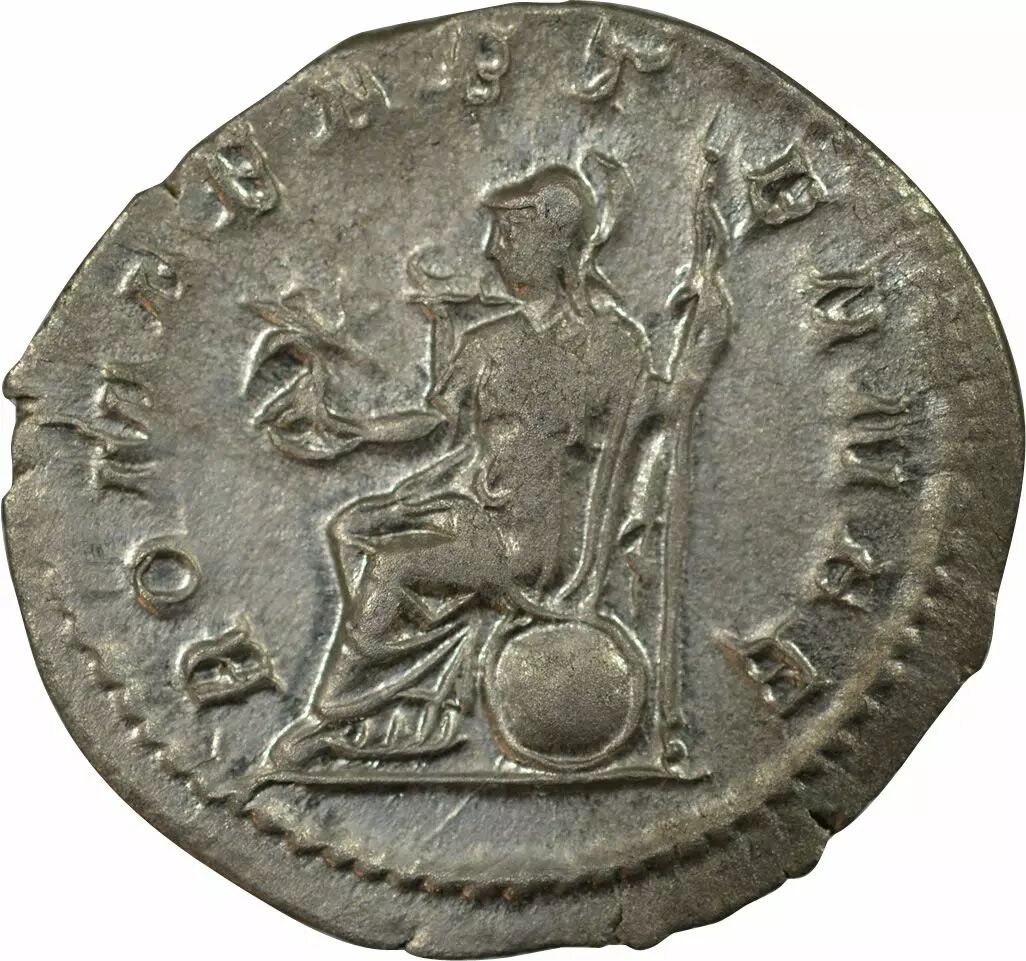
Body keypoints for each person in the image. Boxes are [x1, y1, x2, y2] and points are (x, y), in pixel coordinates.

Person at [269, 162, 652, 765]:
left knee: (393, 567)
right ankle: (410, 695)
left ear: (553, 246)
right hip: (475, 509)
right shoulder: (488, 342)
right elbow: (434, 420)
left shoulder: (609, 344)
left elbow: (629, 440)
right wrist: (356, 430)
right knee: (351, 527)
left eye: (509, 235)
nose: (491, 250)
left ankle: (330, 717)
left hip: (534, 538)